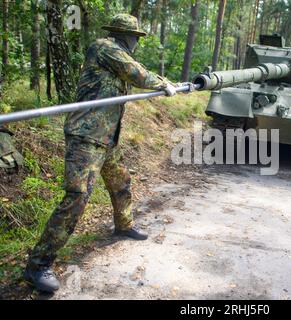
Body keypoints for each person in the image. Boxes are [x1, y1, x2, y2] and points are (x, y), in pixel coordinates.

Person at [24, 14, 178, 293]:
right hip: (86, 137)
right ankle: (38, 264)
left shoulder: (117, 53)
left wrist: (163, 82)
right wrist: (161, 83)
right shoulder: (105, 48)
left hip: (107, 138)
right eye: (135, 37)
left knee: (121, 182)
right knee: (77, 198)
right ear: (122, 35)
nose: (136, 42)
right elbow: (138, 74)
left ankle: (123, 224)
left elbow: (136, 72)